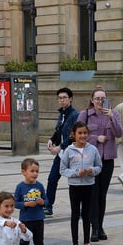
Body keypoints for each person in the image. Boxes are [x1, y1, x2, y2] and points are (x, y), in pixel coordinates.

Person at [77, 87, 123, 242]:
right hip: (91, 160)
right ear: (92, 100)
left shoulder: (114, 113)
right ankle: (94, 228)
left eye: (103, 98)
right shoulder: (85, 115)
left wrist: (112, 118)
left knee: (102, 195)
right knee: (93, 195)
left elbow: (119, 133)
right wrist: (96, 138)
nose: (100, 101)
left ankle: (100, 226)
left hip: (107, 159)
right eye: (97, 98)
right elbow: (77, 135)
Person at [60, 121, 102, 245]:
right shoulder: (68, 151)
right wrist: (76, 173)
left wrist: (92, 171)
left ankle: (87, 243)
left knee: (87, 215)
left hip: (89, 186)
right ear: (74, 135)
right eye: (80, 133)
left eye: (85, 133)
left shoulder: (93, 149)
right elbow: (63, 169)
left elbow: (99, 166)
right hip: (75, 187)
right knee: (75, 214)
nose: (83, 136)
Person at [44, 87, 79, 216]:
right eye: (60, 98)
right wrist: (51, 140)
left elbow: (73, 136)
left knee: (75, 181)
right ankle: (48, 205)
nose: (62, 100)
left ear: (70, 99)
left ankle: (78, 207)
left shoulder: (75, 115)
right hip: (62, 154)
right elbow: (59, 131)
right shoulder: (62, 114)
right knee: (52, 179)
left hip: (72, 152)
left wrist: (60, 146)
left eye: (64, 98)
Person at [14, 158, 46, 245]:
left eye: (37, 171)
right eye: (32, 171)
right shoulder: (20, 187)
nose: (35, 174)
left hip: (38, 219)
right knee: (24, 243)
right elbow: (15, 203)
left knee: (39, 242)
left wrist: (43, 202)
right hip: (25, 220)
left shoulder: (40, 186)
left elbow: (46, 200)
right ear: (24, 172)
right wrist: (26, 204)